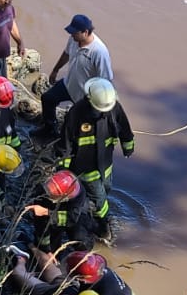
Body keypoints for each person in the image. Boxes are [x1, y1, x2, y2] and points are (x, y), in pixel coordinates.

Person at [57, 77, 134, 242]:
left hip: (105, 163)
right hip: (85, 167)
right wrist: (64, 170)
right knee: (100, 200)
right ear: (89, 100)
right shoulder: (77, 113)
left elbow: (125, 128)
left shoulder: (113, 106)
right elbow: (66, 141)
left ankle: (88, 210)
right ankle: (103, 228)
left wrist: (128, 147)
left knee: (105, 189)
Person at [34, 15, 113, 140]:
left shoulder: (99, 52)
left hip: (85, 96)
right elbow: (66, 54)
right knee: (47, 99)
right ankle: (49, 129)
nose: (72, 35)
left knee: (74, 124)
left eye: (74, 33)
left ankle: (68, 146)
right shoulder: (74, 40)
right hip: (69, 84)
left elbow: (106, 80)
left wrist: (99, 105)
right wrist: (55, 69)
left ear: (85, 32)